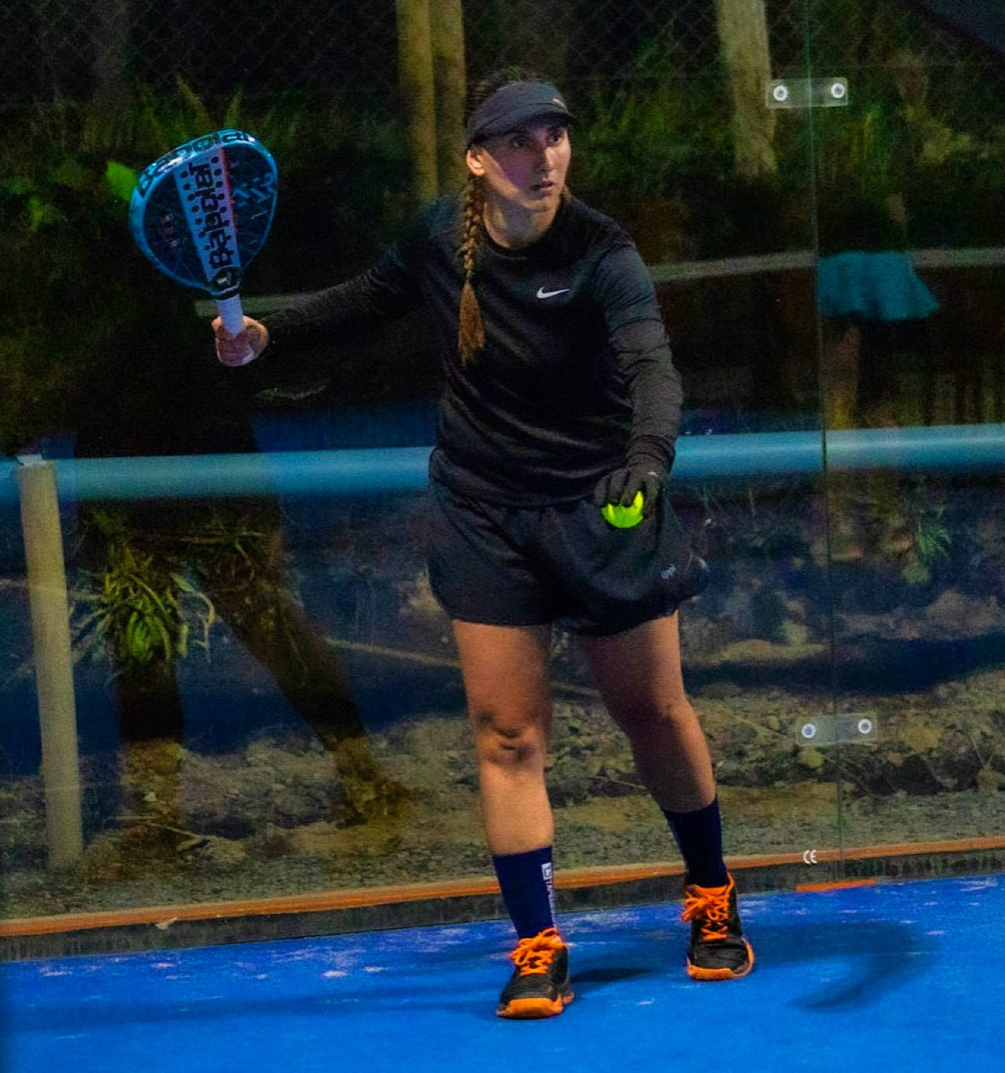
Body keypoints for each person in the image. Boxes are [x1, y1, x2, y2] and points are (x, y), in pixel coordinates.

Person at [211, 70, 752, 1019]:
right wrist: (266, 334)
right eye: (519, 142)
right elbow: (364, 300)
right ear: (477, 160)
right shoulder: (439, 238)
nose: (544, 158)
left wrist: (648, 460)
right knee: (507, 734)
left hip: (601, 504)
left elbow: (652, 368)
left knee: (653, 712)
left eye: (555, 137)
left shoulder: (604, 253)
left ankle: (711, 895)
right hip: (483, 512)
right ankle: (538, 945)